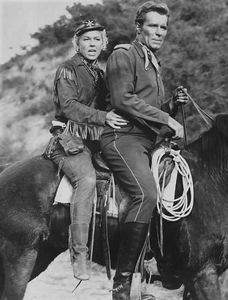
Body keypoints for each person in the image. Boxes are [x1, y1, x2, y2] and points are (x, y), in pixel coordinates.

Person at [100, 2, 188, 299]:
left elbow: (147, 109)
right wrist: (167, 118)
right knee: (147, 194)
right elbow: (123, 99)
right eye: (153, 26)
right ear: (139, 27)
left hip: (146, 140)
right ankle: (122, 283)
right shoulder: (124, 54)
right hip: (122, 138)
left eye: (164, 27)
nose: (160, 32)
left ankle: (155, 269)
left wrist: (171, 106)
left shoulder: (154, 63)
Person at [49, 20, 127, 281]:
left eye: (97, 39)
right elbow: (69, 107)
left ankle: (141, 255)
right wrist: (104, 117)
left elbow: (115, 104)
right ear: (77, 43)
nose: (92, 44)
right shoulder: (67, 70)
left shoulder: (101, 74)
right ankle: (79, 253)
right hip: (69, 139)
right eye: (86, 39)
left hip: (96, 140)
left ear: (103, 43)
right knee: (87, 179)